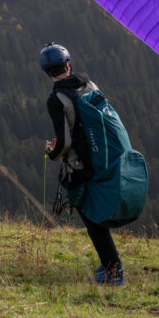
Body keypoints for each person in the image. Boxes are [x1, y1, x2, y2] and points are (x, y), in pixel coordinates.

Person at [40, 42, 124, 286]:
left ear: (47, 72)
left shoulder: (56, 99)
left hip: (80, 166)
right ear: (68, 64)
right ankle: (109, 266)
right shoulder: (90, 85)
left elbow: (64, 142)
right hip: (105, 157)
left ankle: (113, 271)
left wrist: (51, 152)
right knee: (95, 215)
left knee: (92, 218)